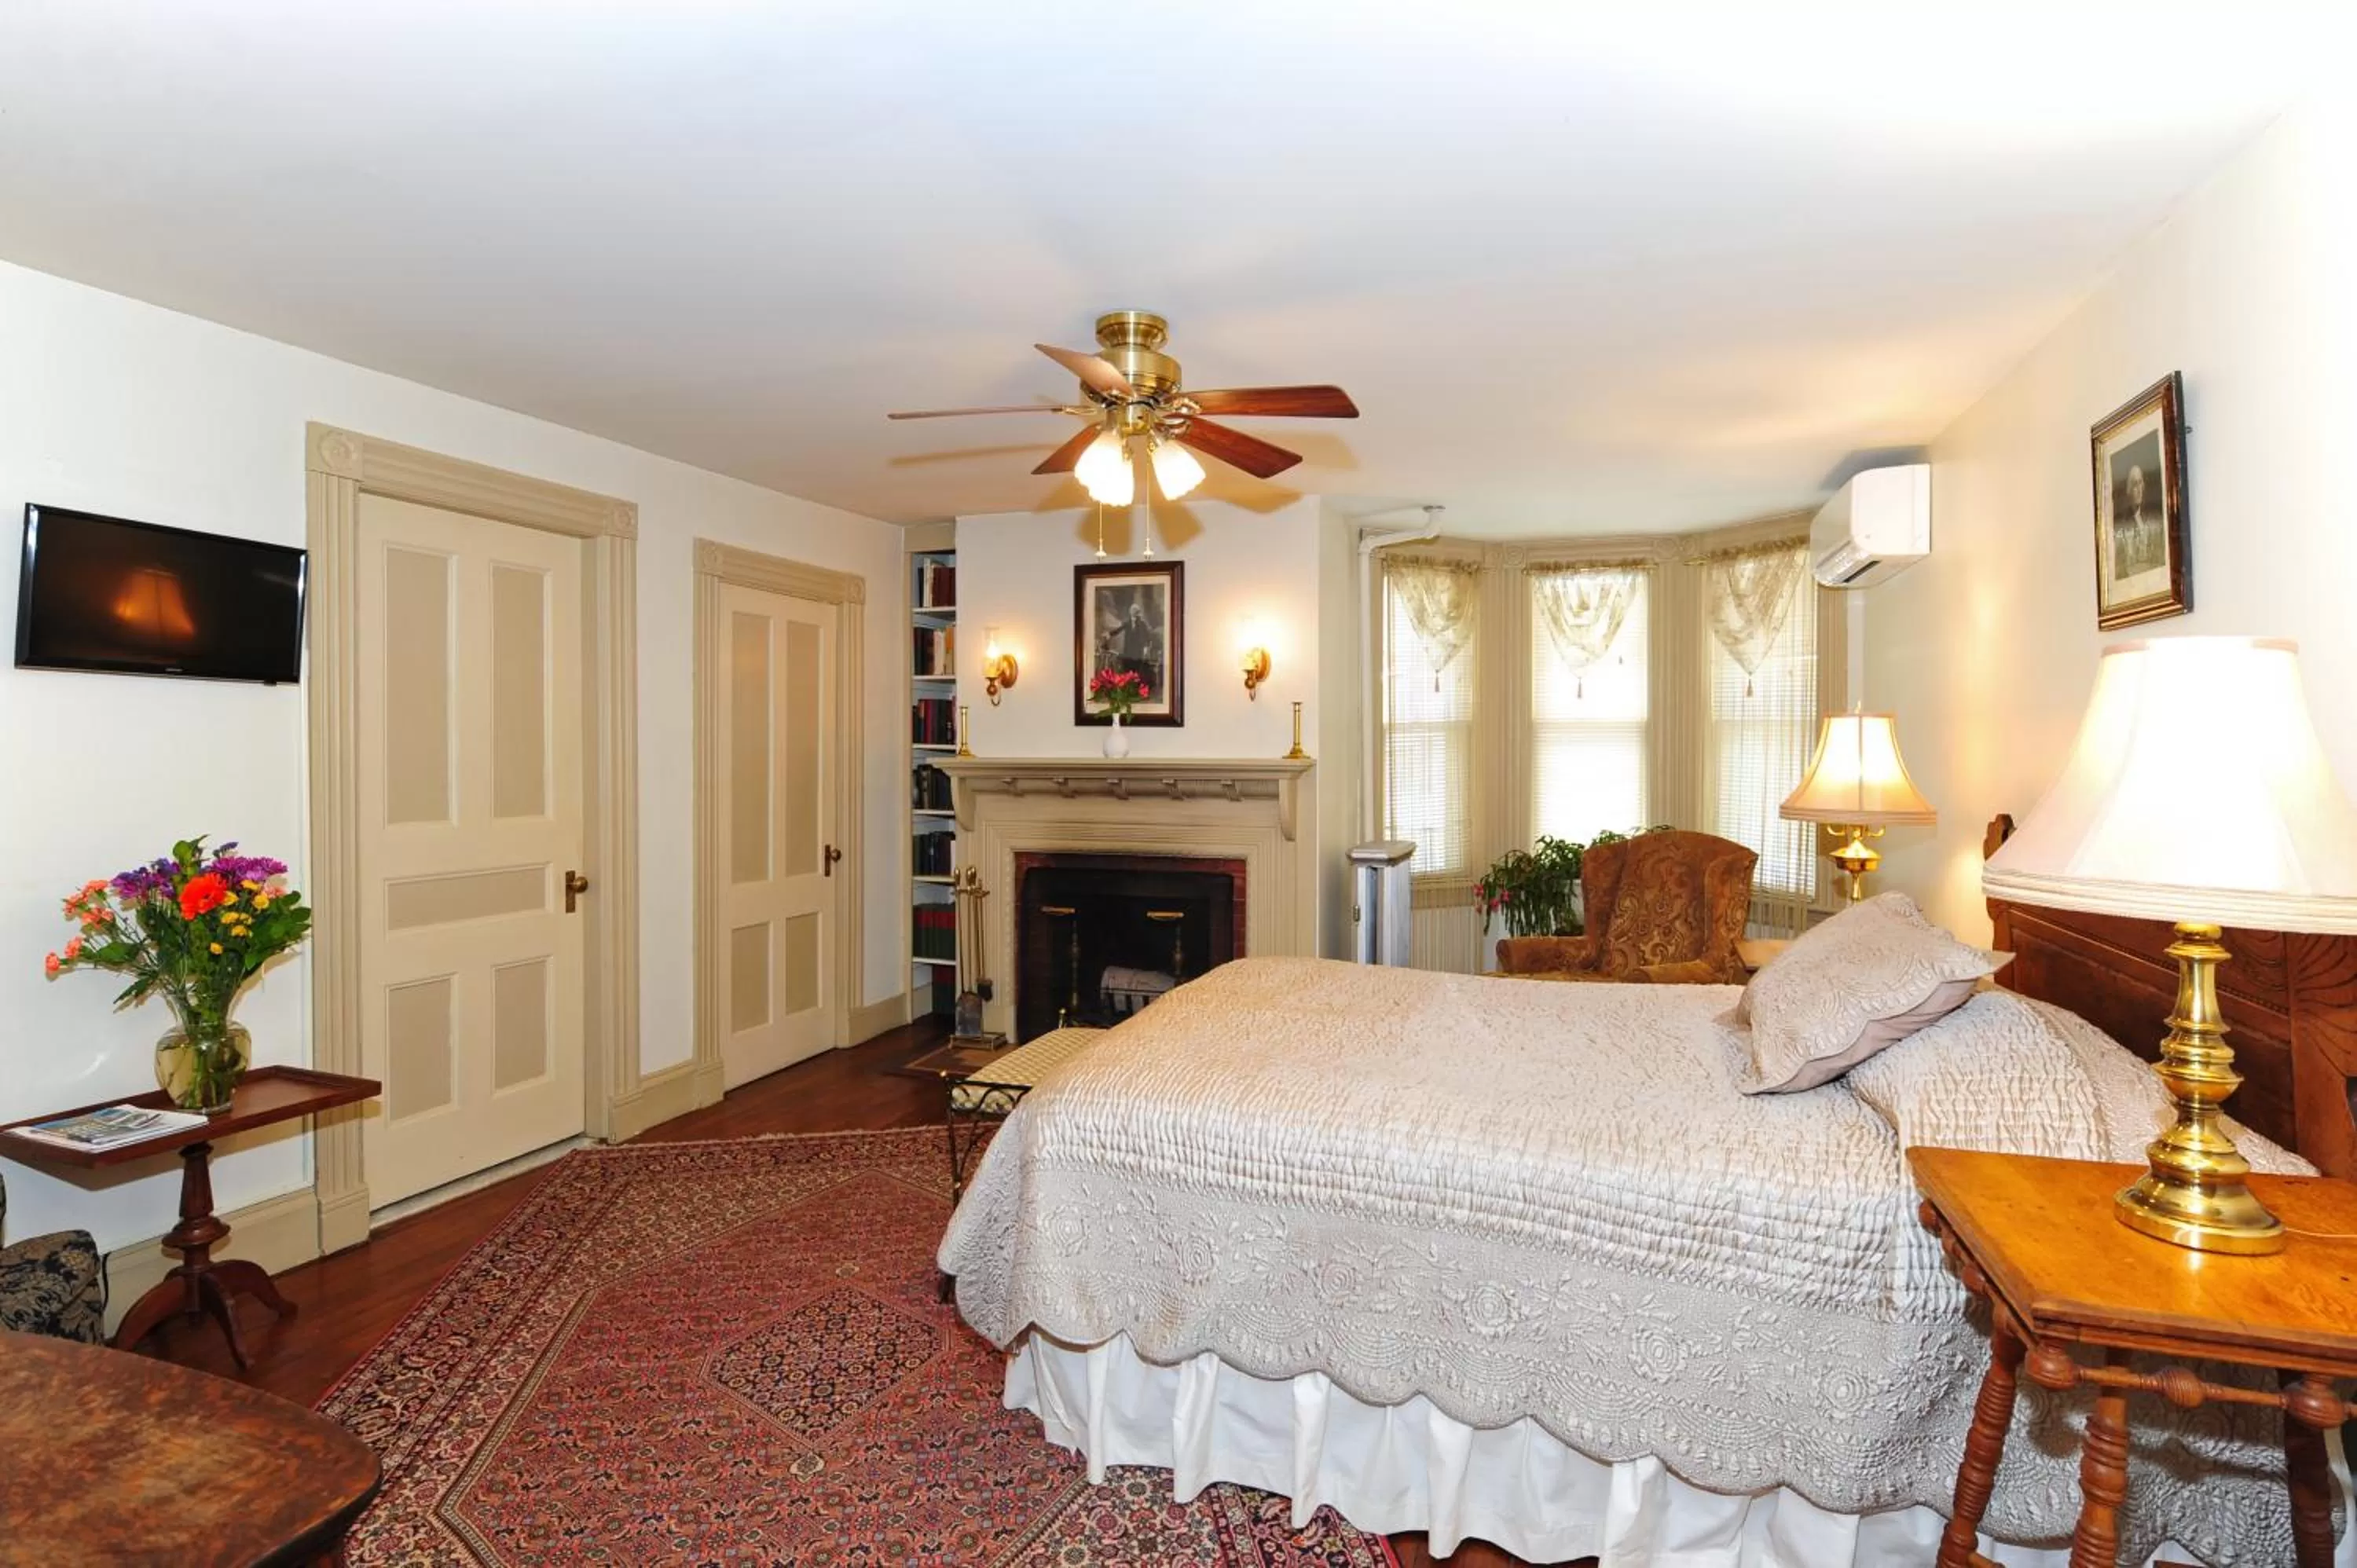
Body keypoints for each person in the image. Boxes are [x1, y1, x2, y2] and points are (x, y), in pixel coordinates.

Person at [2112, 462, 2165, 580]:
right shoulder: (2122, 524)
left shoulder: (2153, 518)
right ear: (2129, 490)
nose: (2139, 489)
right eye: (2135, 485)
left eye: (2140, 483)